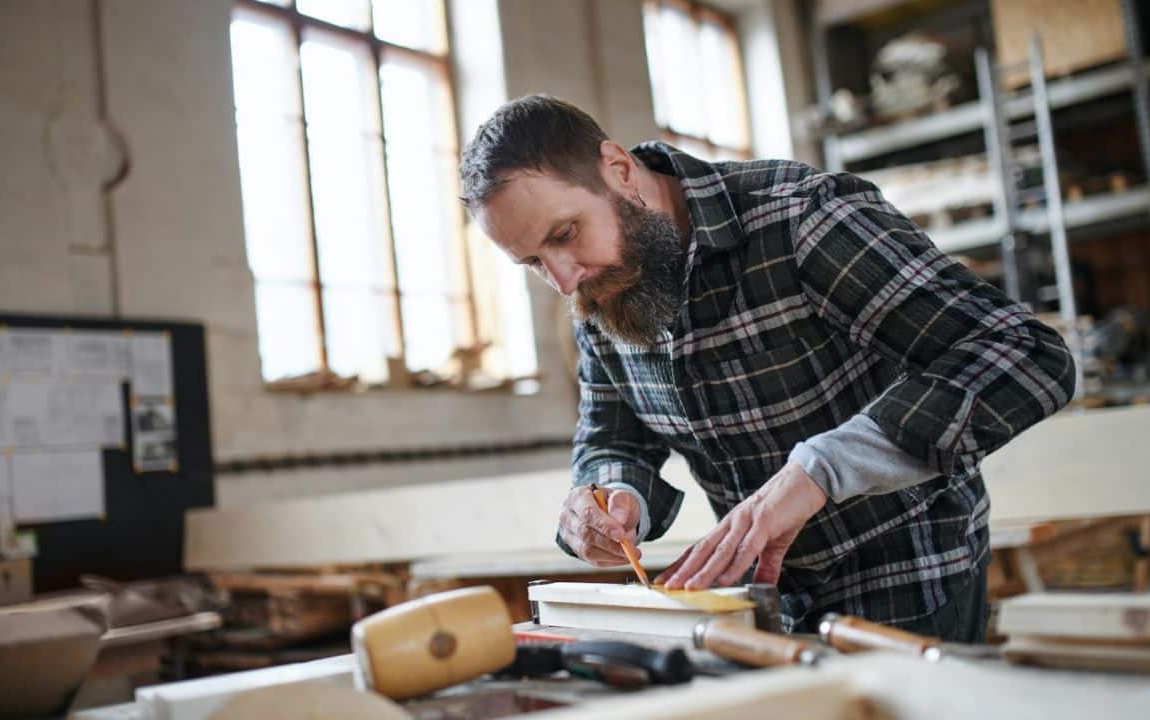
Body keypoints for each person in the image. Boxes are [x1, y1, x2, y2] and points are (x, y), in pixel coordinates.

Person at [459, 95, 1074, 641]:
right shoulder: (596, 288)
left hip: (907, 569)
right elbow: (614, 439)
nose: (564, 279)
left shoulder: (802, 219)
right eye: (534, 263)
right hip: (761, 599)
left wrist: (820, 471)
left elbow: (1025, 354)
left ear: (618, 171)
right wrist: (612, 495)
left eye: (565, 233)